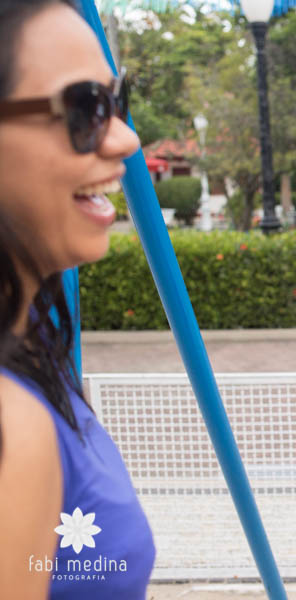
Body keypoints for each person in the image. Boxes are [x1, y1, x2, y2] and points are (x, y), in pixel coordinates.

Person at [0, 1, 156, 598]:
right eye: (85, 107)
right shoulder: (11, 424)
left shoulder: (33, 346)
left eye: (119, 102)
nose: (125, 137)